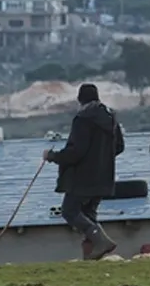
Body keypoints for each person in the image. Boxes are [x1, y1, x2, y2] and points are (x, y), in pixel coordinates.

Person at [43, 83, 125, 260]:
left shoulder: (83, 119)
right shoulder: (110, 118)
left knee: (69, 211)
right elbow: (119, 146)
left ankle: (102, 243)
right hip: (104, 176)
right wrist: (102, 160)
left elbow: (76, 152)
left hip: (83, 178)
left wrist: (52, 156)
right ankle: (92, 256)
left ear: (80, 100)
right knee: (89, 213)